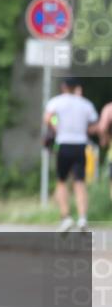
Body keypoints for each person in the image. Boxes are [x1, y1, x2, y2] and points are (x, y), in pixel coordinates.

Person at [44, 78, 99, 232]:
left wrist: (55, 126)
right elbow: (94, 125)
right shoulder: (86, 104)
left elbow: (48, 118)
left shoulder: (56, 102)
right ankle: (82, 218)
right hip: (81, 145)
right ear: (76, 87)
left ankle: (66, 217)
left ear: (63, 87)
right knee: (79, 182)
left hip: (63, 144)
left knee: (61, 181)